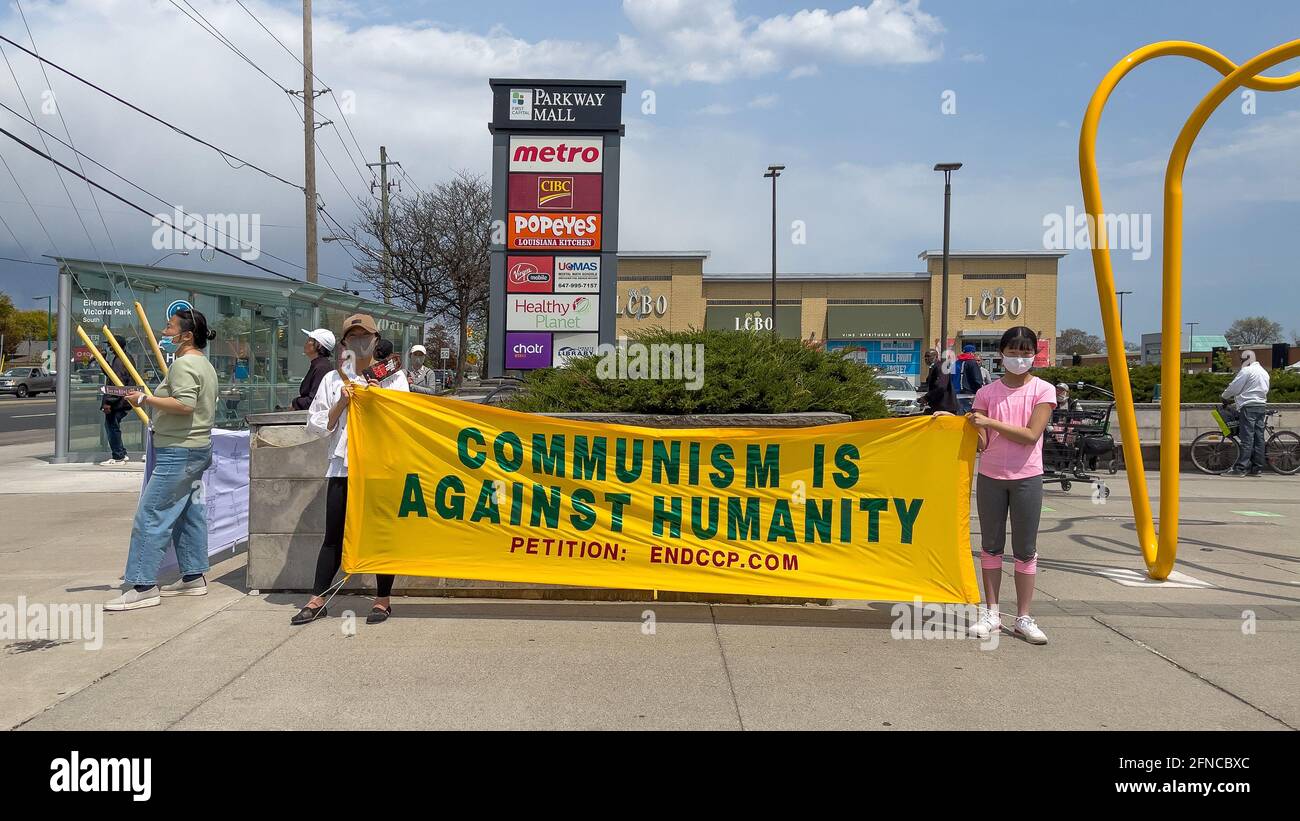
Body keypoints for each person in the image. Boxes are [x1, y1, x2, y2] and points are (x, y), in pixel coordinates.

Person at [292, 314, 410, 627]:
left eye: (365, 335)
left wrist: (378, 397)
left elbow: (403, 421)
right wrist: (340, 404)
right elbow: (315, 426)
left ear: (376, 339)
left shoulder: (394, 377)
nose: (359, 341)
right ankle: (317, 598)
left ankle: (382, 599)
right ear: (344, 342)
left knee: (381, 533)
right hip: (342, 466)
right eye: (352, 336)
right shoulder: (333, 379)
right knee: (334, 533)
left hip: (379, 466)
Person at [949, 326, 1056, 645]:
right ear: (1001, 353)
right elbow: (982, 442)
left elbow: (1030, 435)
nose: (1019, 358)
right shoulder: (986, 393)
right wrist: (963, 424)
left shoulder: (1043, 390)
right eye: (1013, 352)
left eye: (1025, 353)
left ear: (1035, 355)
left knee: (1025, 549)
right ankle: (991, 612)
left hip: (1027, 477)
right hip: (991, 477)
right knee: (991, 546)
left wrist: (990, 422)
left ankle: (1024, 617)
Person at [106, 310, 219, 611]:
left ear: (187, 335)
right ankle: (193, 576)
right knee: (187, 513)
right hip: (196, 448)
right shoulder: (205, 365)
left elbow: (184, 404)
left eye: (169, 328)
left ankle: (143, 585)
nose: (164, 332)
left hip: (178, 451)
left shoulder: (183, 365)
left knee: (152, 513)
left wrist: (145, 399)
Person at [1223, 350, 1271, 476]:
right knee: (1259, 437)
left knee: (1247, 438)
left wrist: (1224, 396)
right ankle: (1257, 468)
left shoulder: (1246, 371)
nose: (1241, 361)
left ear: (1246, 359)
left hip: (1248, 407)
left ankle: (1240, 469)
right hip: (1261, 406)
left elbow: (1234, 387)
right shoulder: (1264, 372)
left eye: (1242, 359)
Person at [98, 334, 134, 465]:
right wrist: (103, 360)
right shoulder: (122, 358)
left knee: (112, 426)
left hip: (118, 402)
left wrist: (108, 402)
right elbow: (110, 374)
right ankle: (121, 453)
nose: (109, 347)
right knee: (113, 426)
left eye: (110, 345)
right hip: (121, 400)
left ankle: (118, 456)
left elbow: (118, 382)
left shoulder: (120, 361)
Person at [292, 328, 335, 411]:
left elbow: (314, 401)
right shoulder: (319, 365)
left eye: (310, 340)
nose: (306, 343)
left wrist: (295, 402)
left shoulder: (322, 368)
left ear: (319, 345)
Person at [919, 348, 958, 414]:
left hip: (945, 406)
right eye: (925, 356)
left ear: (936, 357)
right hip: (937, 405)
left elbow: (941, 386)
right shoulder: (934, 367)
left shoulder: (941, 367)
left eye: (929, 356)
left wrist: (926, 398)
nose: (926, 358)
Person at [955, 344, 985, 413]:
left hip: (956, 395)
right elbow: (977, 379)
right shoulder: (972, 363)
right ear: (971, 353)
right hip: (969, 395)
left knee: (959, 416)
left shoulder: (956, 363)